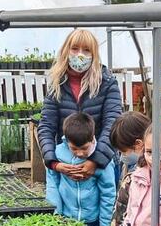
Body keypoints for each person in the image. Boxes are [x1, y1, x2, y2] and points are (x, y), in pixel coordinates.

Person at [37, 29, 121, 188]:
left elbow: (113, 123)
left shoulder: (107, 82)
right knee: (66, 210)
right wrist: (54, 163)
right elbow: (47, 125)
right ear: (66, 51)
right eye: (75, 49)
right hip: (67, 164)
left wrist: (95, 161)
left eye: (86, 50)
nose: (80, 55)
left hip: (103, 166)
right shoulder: (57, 84)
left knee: (105, 208)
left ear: (94, 54)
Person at [45, 111, 116, 226]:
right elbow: (52, 185)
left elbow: (108, 191)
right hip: (66, 217)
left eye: (84, 148)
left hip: (92, 219)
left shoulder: (102, 160)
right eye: (74, 148)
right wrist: (55, 213)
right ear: (67, 141)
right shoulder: (57, 154)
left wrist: (105, 222)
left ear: (92, 140)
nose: (79, 153)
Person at [108, 110, 150, 226]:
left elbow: (120, 216)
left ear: (139, 144)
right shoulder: (129, 168)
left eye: (123, 151)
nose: (121, 156)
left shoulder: (136, 177)